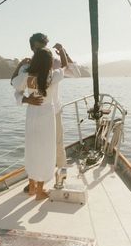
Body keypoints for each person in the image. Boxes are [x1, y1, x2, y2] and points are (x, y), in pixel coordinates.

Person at [11, 33, 80, 191]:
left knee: (54, 146)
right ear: (32, 47)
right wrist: (26, 100)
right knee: (39, 148)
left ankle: (59, 179)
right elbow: (17, 88)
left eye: (43, 46)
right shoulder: (29, 68)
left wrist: (64, 53)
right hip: (40, 111)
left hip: (50, 112)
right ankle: (34, 184)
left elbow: (76, 73)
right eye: (38, 46)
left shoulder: (50, 63)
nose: (40, 49)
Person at [17, 48, 67, 200]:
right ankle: (39, 190)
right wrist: (62, 52)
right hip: (46, 116)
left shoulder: (27, 76)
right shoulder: (53, 76)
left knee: (32, 149)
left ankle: (32, 186)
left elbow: (15, 89)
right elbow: (64, 66)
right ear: (49, 62)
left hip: (32, 113)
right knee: (45, 152)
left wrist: (26, 99)